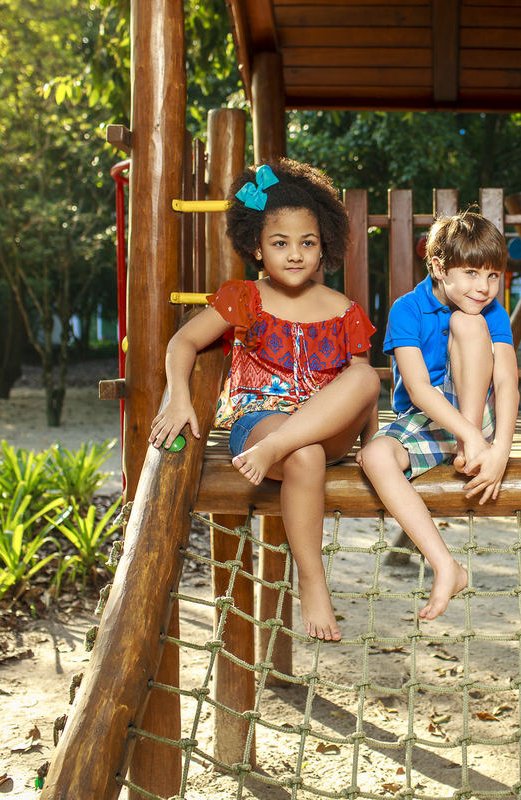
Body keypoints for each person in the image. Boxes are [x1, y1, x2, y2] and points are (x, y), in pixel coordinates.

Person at [149, 159, 380, 642]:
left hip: (324, 428)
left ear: (323, 247)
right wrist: (177, 399)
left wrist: (373, 444)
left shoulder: (344, 311)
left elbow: (360, 398)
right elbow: (182, 344)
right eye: (280, 243)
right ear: (257, 246)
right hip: (260, 424)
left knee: (364, 379)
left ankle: (282, 447)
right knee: (304, 452)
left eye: (307, 243)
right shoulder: (244, 297)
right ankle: (313, 585)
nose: (294, 254)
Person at [358, 211, 519, 621]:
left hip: (477, 418)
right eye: (470, 273)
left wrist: (498, 447)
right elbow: (418, 391)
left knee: (469, 324)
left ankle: (470, 445)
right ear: (438, 268)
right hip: (429, 417)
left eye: (493, 276)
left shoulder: (489, 311)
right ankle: (445, 565)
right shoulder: (407, 308)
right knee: (375, 457)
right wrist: (471, 438)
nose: (483, 287)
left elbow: (505, 383)